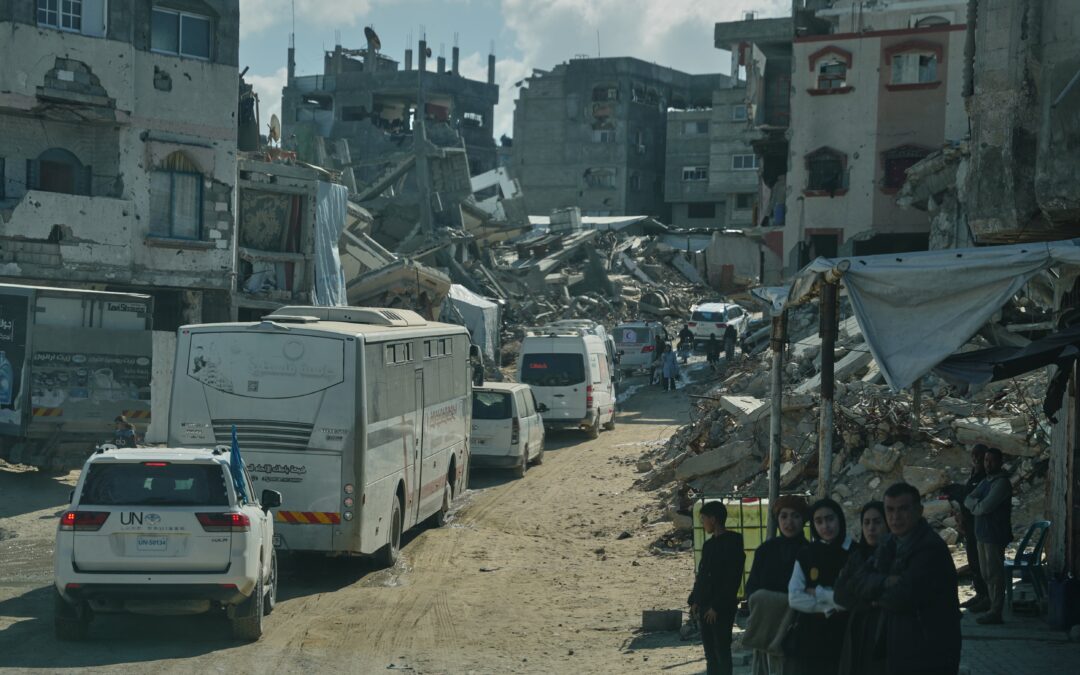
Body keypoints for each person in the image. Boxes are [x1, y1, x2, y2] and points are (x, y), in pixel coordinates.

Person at [844, 483, 962, 675]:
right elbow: (855, 582)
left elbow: (902, 597)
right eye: (890, 510)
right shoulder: (889, 543)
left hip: (930, 655)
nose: (895, 517)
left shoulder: (930, 548)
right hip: (898, 650)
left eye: (903, 509)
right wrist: (886, 581)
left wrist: (875, 593)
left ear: (919, 511)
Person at [785, 498, 852, 675]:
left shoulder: (854, 552)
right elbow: (794, 597)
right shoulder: (807, 553)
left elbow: (852, 599)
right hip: (810, 637)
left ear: (839, 519)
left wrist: (819, 592)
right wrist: (828, 607)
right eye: (819, 521)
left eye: (830, 519)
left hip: (845, 634)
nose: (825, 526)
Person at [745, 495, 809, 675]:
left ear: (803, 519)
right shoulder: (765, 551)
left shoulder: (811, 552)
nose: (789, 522)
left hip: (798, 634)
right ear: (777, 518)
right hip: (766, 634)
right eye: (784, 516)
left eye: (795, 516)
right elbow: (752, 589)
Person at [689, 501, 746, 675]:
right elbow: (702, 575)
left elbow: (732, 579)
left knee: (722, 650)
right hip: (705, 605)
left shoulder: (733, 542)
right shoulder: (709, 545)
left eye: (704, 519)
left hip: (722, 607)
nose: (702, 523)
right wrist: (695, 600)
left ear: (713, 519)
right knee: (710, 654)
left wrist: (717, 607)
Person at [834, 501, 888, 675]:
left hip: (884, 631)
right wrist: (868, 602)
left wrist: (858, 588)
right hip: (856, 630)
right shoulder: (856, 556)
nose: (871, 528)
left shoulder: (895, 556)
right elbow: (840, 594)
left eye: (877, 522)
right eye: (866, 522)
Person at [964, 446, 1013, 625]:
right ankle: (991, 605)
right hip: (982, 534)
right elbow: (968, 498)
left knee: (995, 574)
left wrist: (976, 506)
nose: (987, 464)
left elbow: (985, 507)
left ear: (1000, 462)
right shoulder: (987, 480)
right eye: (986, 460)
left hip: (994, 534)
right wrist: (977, 506)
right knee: (986, 574)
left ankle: (996, 611)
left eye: (991, 461)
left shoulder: (1001, 483)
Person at [954, 444, 990, 610]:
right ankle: (980, 594)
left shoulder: (987, 478)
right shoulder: (974, 474)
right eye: (974, 455)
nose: (976, 459)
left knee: (983, 564)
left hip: (981, 528)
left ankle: (987, 597)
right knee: (974, 563)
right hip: (969, 527)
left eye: (979, 456)